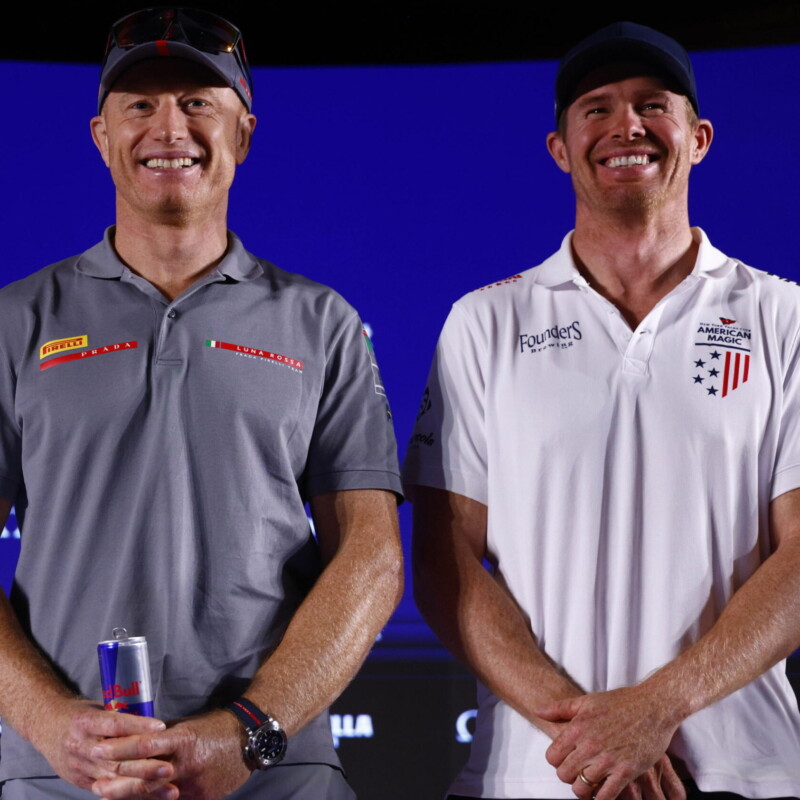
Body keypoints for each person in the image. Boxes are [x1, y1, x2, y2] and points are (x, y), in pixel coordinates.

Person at [0, 8, 403, 800]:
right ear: (101, 135)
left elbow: (373, 557)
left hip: (276, 773)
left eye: (196, 102)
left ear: (243, 133)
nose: (168, 127)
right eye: (140, 105)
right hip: (66, 776)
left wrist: (250, 732)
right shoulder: (17, 322)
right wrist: (49, 723)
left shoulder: (319, 322)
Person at [403, 20, 800, 800]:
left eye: (654, 104)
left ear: (699, 138)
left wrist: (659, 708)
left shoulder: (783, 318)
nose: (627, 126)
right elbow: (445, 560)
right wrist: (591, 737)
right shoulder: (485, 322)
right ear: (559, 147)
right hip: (535, 777)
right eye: (596, 108)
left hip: (746, 775)